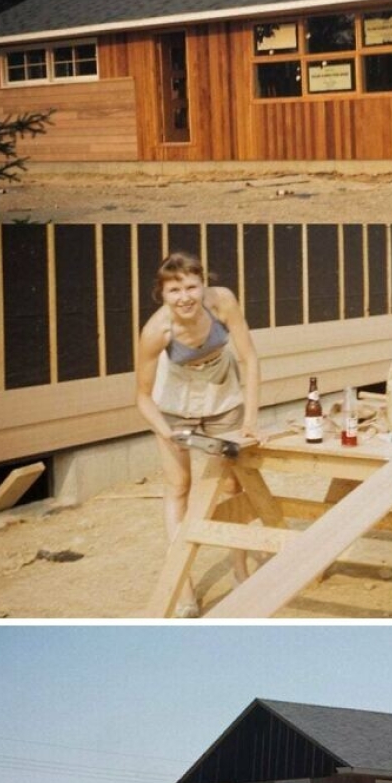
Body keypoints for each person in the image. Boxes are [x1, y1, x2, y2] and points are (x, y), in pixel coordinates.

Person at [137, 251, 260, 615]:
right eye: (174, 290)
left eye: (191, 286)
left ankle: (240, 570)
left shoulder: (222, 303)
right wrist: (166, 431)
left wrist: (250, 420)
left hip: (222, 396)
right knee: (179, 488)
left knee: (234, 485)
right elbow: (142, 397)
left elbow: (249, 359)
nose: (185, 297)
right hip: (176, 405)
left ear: (203, 284)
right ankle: (184, 586)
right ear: (162, 294)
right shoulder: (156, 332)